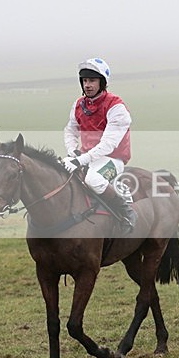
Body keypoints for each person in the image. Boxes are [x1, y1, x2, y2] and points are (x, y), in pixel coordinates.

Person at [62, 57, 137, 233]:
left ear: (102, 82)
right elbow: (70, 130)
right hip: (86, 157)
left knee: (93, 180)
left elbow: (108, 145)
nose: (87, 85)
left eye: (92, 80)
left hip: (112, 159)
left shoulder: (116, 107)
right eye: (85, 80)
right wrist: (72, 151)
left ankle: (127, 212)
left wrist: (80, 160)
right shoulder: (78, 104)